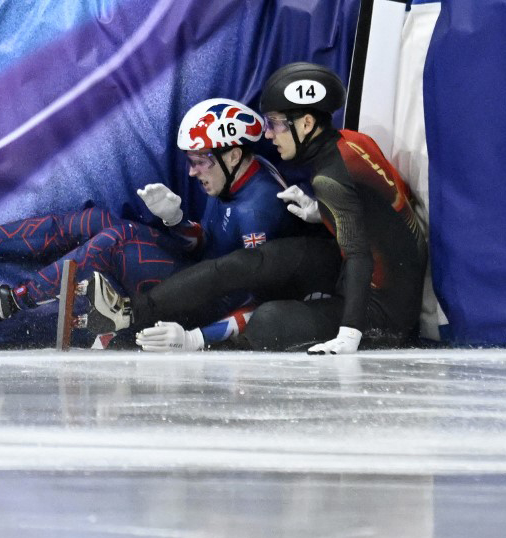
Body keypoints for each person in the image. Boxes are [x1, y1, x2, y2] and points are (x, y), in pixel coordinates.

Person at [98, 62, 427, 354]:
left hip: (381, 310)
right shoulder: (353, 142)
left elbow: (360, 256)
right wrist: (320, 212)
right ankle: (130, 312)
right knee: (245, 263)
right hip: (367, 277)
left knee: (269, 319)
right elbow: (392, 208)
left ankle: (141, 317)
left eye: (275, 124)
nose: (267, 135)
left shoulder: (329, 179)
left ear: (307, 123)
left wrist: (350, 332)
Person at [0, 98, 305, 346]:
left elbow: (260, 300)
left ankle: (9, 303)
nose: (192, 173)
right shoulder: (236, 177)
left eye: (200, 161)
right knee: (97, 220)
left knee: (118, 239)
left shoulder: (259, 209)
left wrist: (196, 338)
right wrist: (175, 221)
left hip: (205, 301)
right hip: (204, 273)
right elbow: (210, 245)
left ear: (233, 153)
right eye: (190, 161)